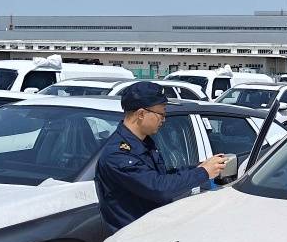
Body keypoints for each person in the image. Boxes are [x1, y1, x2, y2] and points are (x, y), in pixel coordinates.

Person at [95, 81, 228, 232]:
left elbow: (162, 176)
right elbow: (159, 188)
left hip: (150, 230)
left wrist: (199, 167)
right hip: (132, 237)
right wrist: (203, 172)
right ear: (141, 114)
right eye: (161, 114)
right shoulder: (118, 155)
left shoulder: (143, 142)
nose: (164, 120)